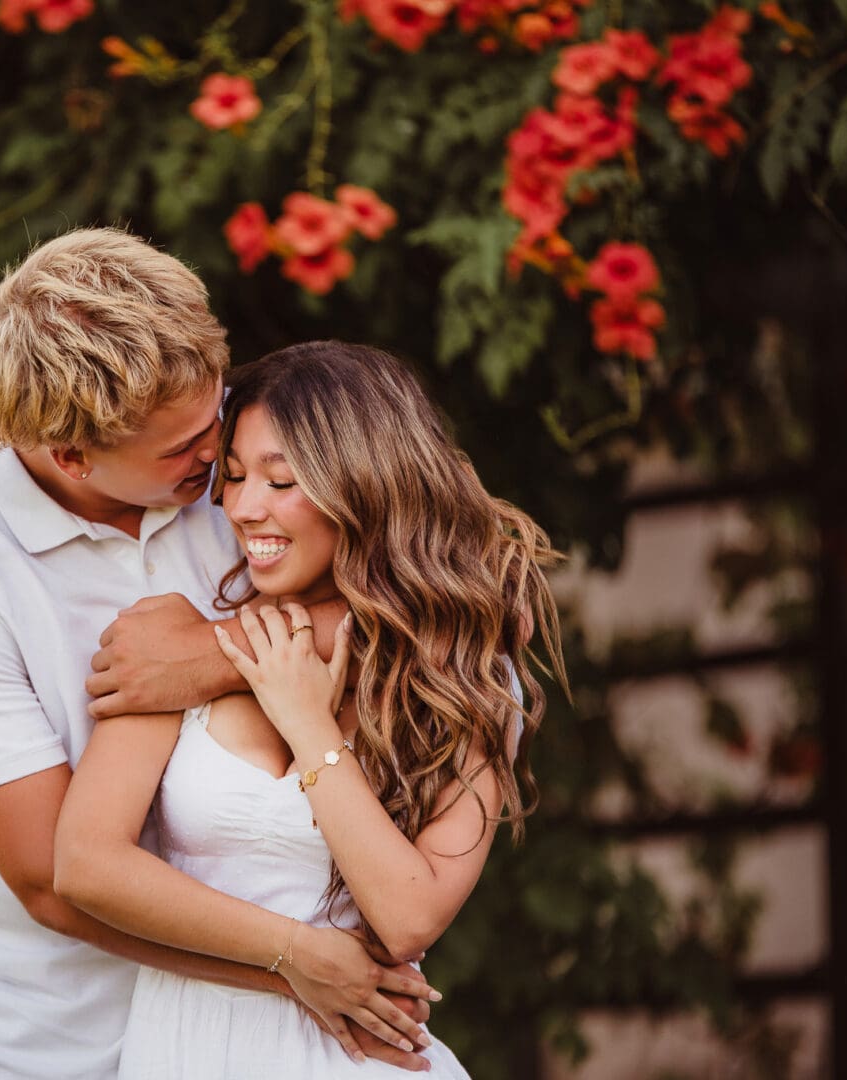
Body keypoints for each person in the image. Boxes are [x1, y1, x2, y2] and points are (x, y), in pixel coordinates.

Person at [0, 230, 433, 1080]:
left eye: (213, 415)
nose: (216, 457)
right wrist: (292, 965)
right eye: (183, 450)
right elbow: (51, 883)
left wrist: (212, 656)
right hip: (42, 1049)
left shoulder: (241, 475)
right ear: (71, 455)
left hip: (245, 1052)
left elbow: (415, 592)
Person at [54, 341, 566, 1078]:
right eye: (231, 479)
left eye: (281, 480)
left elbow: (409, 915)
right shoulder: (178, 645)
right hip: (187, 1051)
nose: (243, 507)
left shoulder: (462, 680)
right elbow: (84, 865)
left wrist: (306, 722)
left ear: (364, 483)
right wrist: (289, 958)